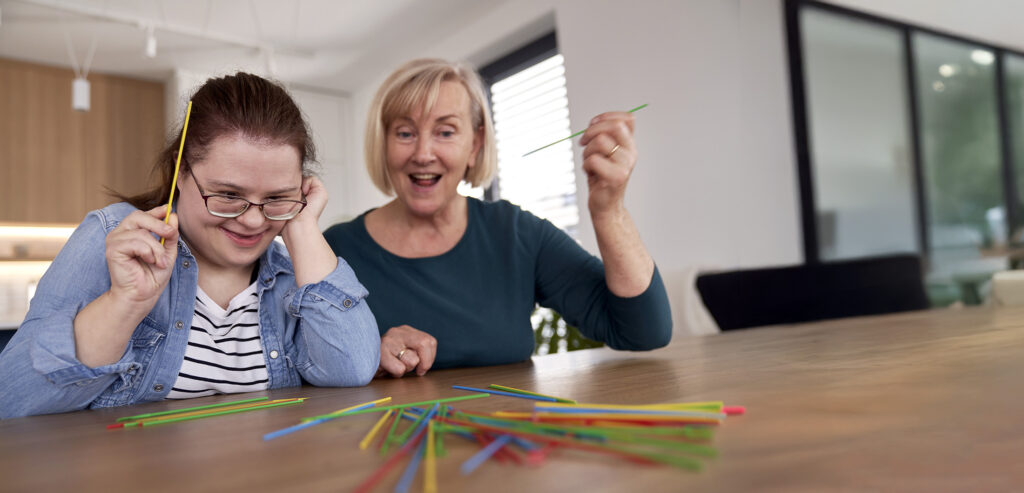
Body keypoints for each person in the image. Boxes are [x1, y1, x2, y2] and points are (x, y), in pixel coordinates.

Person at [0, 73, 380, 419]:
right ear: (182, 173)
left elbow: (353, 370)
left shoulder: (294, 269)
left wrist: (302, 228)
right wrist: (123, 304)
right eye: (229, 194)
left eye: (277, 197)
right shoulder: (114, 236)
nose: (253, 220)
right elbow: (12, 401)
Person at [323, 59, 671, 378]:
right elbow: (294, 367)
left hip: (507, 439)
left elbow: (643, 331)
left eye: (445, 132)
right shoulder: (336, 251)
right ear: (383, 143)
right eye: (404, 133)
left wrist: (609, 211)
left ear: (475, 145)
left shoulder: (517, 234)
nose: (423, 154)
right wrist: (366, 353)